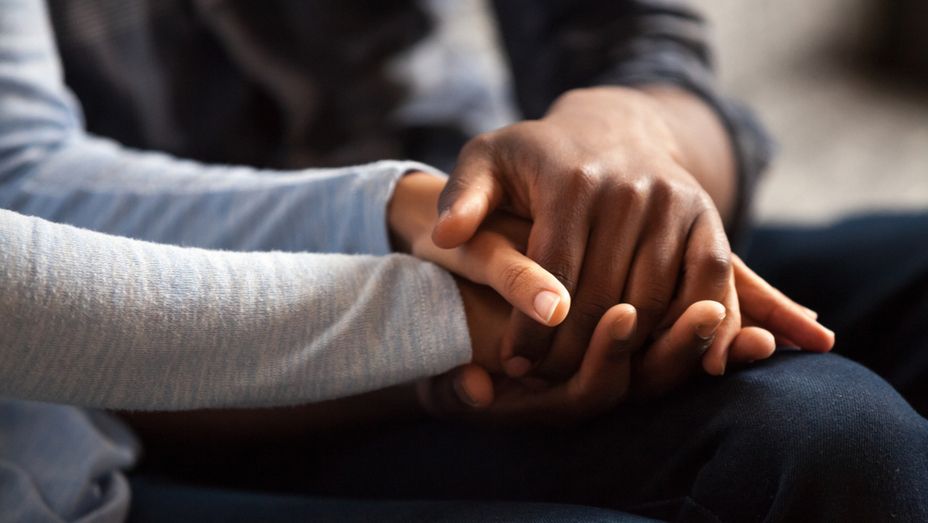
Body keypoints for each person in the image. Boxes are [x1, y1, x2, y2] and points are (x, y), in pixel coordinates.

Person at [0, 1, 925, 522]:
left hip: (491, 230)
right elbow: (26, 190)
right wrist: (454, 305)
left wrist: (629, 139)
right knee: (825, 438)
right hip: (176, 345)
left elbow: (636, 47)